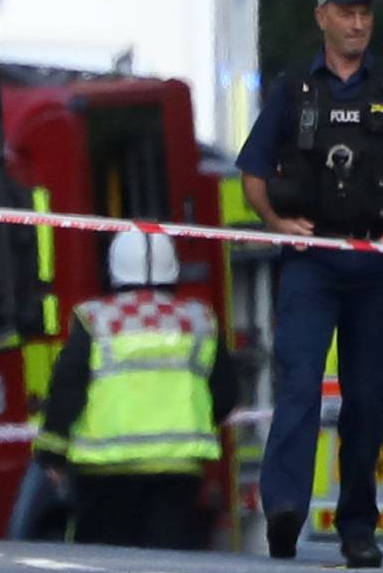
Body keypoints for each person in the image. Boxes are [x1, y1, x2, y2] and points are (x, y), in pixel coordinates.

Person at [237, 0, 383, 567]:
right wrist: (277, 224)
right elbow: (253, 171)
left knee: (366, 400)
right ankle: (284, 512)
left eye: (365, 14)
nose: (358, 23)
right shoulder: (294, 89)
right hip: (311, 262)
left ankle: (358, 527)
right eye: (347, 12)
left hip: (376, 267)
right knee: (300, 386)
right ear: (322, 18)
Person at [32, 228, 236, 550]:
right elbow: (226, 395)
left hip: (103, 473)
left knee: (104, 572)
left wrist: (52, 453)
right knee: (170, 568)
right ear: (173, 268)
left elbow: (66, 388)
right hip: (177, 472)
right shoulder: (200, 321)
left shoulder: (94, 319)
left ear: (113, 267)